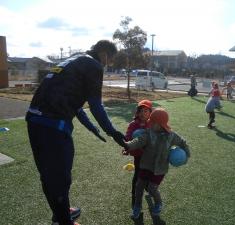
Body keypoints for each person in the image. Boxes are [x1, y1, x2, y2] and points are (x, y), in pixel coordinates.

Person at [26, 40, 127, 225]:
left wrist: (92, 127)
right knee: (60, 177)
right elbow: (96, 105)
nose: (109, 63)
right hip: (52, 125)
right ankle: (62, 220)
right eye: (111, 59)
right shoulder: (94, 65)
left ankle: (62, 211)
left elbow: (76, 105)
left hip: (34, 121)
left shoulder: (76, 59)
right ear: (104, 54)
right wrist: (113, 132)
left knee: (49, 175)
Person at [124, 108, 190, 221]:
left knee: (152, 188)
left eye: (153, 121)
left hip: (160, 168)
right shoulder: (148, 133)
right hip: (145, 166)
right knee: (139, 186)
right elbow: (138, 141)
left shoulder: (171, 136)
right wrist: (127, 145)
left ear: (160, 124)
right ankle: (137, 207)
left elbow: (182, 142)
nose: (150, 123)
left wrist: (186, 155)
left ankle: (158, 203)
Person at [122, 99, 153, 208]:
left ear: (150, 113)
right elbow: (128, 137)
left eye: (146, 111)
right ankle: (135, 201)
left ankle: (148, 188)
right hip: (139, 155)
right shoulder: (133, 124)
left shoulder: (152, 124)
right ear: (137, 112)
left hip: (149, 155)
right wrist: (126, 147)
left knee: (149, 174)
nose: (143, 113)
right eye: (141, 111)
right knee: (138, 177)